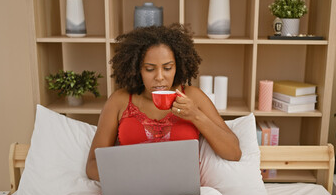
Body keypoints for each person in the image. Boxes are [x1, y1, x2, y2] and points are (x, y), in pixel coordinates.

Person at [86, 23, 241, 181]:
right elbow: (92, 166)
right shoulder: (119, 101)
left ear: (177, 67)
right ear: (137, 69)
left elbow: (233, 152)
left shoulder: (193, 97)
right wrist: (130, 175)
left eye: (167, 68)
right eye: (150, 68)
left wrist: (195, 116)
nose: (159, 77)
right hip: (133, 192)